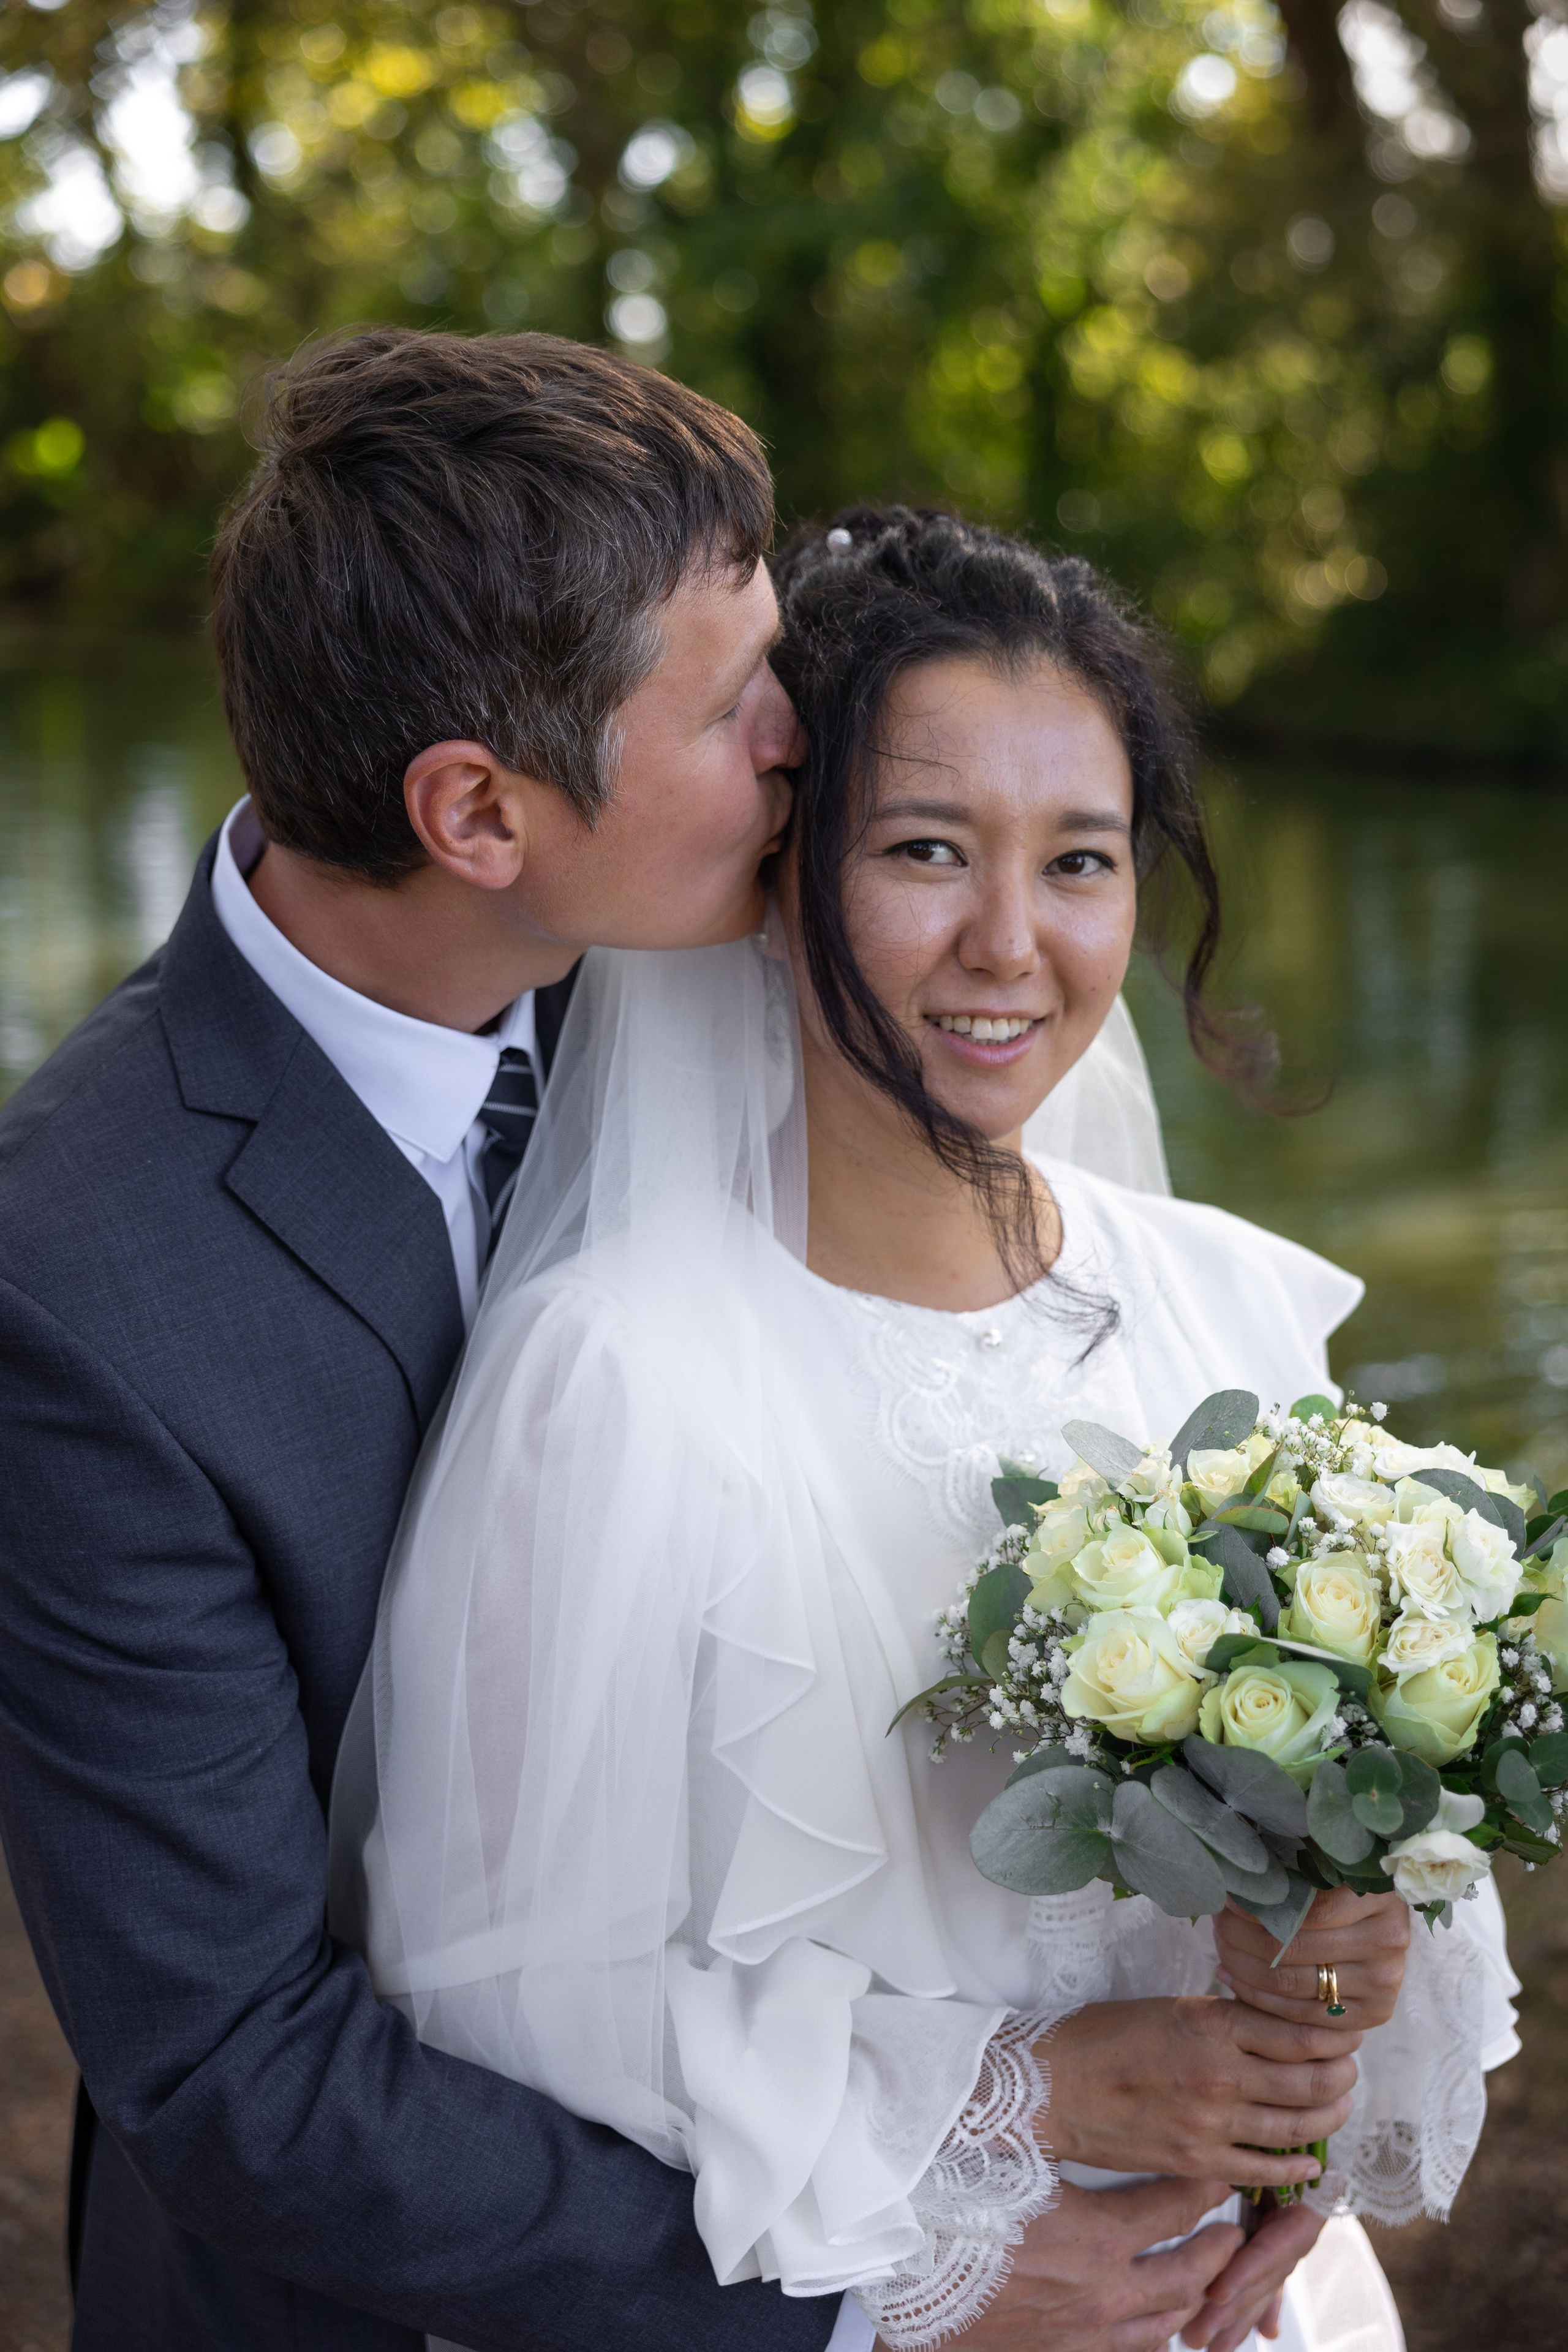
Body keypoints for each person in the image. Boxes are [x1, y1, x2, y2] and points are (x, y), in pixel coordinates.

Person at [0, 332, 1406, 2352]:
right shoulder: (78, 1283)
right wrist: (899, 2284)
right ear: (479, 811)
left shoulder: (728, 982)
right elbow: (242, 2072)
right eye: (742, 700)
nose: (797, 740)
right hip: (436, 2286)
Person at [334, 507, 1522, 2352]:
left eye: (1081, 863)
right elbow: (495, 1991)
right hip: (901, 2291)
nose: (1010, 944)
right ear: (781, 870)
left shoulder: (1216, 1303)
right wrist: (1026, 2107)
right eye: (922, 850)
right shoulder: (622, 1371)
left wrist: (1350, 1961)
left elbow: (1385, 1832)